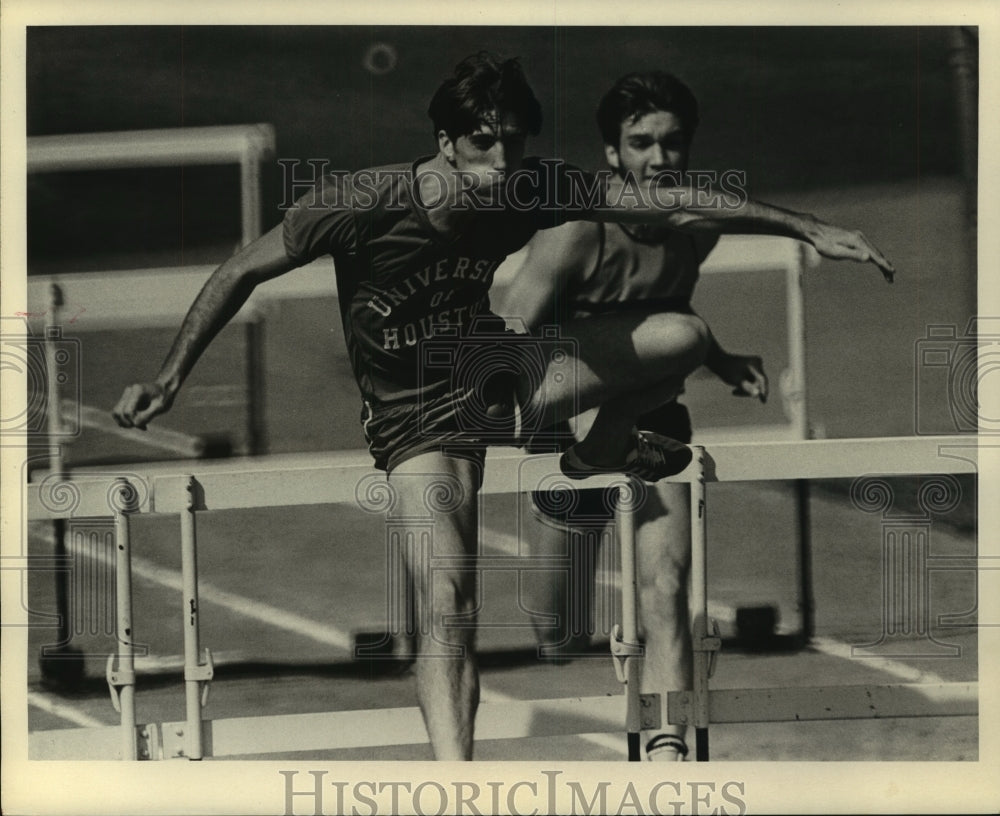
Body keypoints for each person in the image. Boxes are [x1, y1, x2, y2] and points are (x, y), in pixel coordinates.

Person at [112, 52, 893, 760]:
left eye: (516, 141)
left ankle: (596, 453)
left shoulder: (529, 186)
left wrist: (808, 228)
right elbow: (239, 273)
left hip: (498, 379)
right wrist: (169, 379)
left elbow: (674, 206)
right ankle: (457, 783)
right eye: (486, 143)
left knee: (682, 333)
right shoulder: (363, 200)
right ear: (447, 141)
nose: (505, 162)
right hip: (411, 418)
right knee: (448, 597)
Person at [500, 70, 770, 761]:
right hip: (564, 432)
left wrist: (720, 358)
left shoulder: (697, 229)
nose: (659, 159)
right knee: (558, 635)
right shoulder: (575, 230)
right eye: (641, 142)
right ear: (612, 153)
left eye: (673, 144)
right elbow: (510, 324)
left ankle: (668, 754)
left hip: (653, 421)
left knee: (667, 586)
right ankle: (572, 488)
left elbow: (666, 317)